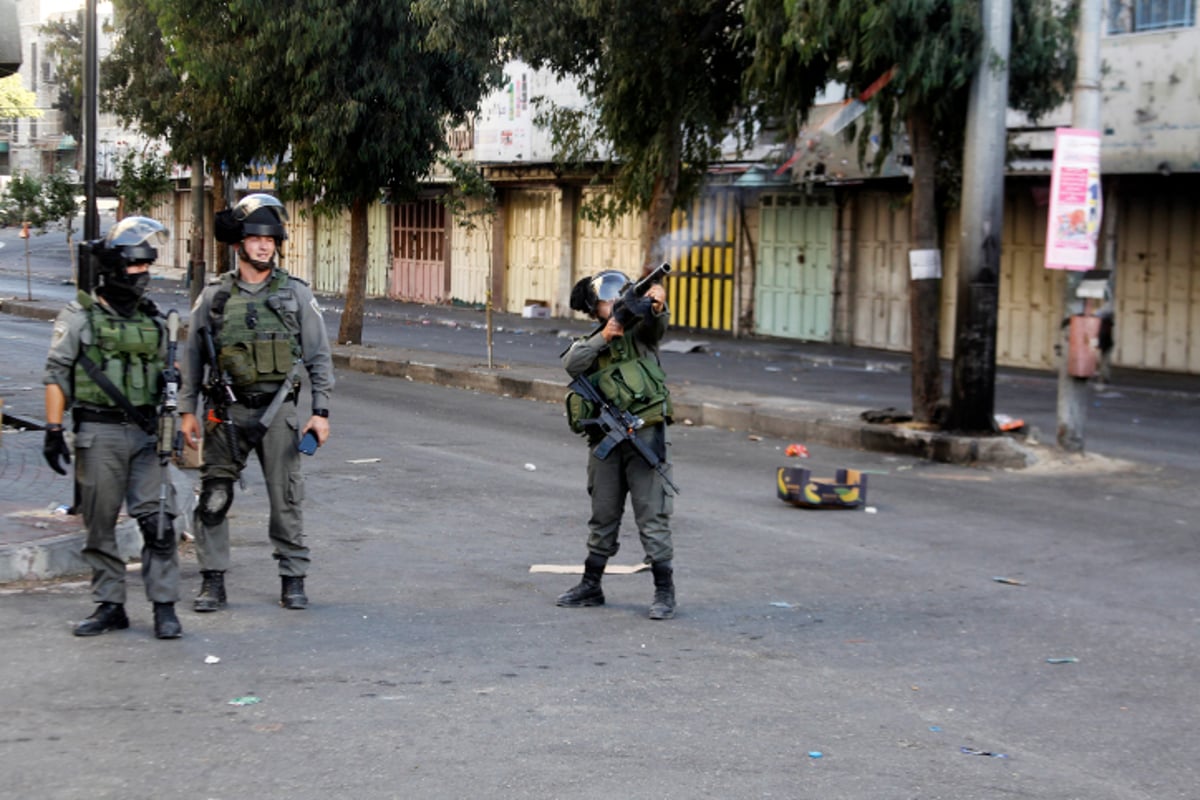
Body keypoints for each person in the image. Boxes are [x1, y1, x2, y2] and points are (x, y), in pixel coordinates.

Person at [179, 194, 334, 613]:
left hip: (278, 410)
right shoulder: (214, 298)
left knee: (286, 497)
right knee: (214, 496)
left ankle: (293, 578)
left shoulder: (295, 296)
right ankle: (212, 581)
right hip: (223, 414)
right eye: (255, 237)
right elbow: (191, 358)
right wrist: (186, 412)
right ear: (239, 244)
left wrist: (320, 413)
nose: (265, 245)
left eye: (271, 238)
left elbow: (319, 357)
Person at [42, 216, 183, 639]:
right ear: (115, 269)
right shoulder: (80, 317)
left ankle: (163, 605)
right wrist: (53, 430)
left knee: (159, 520)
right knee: (100, 524)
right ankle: (110, 605)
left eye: (147, 269)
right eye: (136, 268)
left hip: (146, 435)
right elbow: (57, 373)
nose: (142, 277)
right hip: (98, 433)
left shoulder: (155, 322)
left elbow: (170, 376)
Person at [558, 269, 678, 619]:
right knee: (603, 514)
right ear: (595, 309)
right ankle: (591, 585)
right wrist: (604, 337)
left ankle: (664, 592)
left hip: (644, 436)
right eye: (606, 303)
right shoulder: (594, 341)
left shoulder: (641, 335)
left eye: (618, 300)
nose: (613, 307)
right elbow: (571, 364)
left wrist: (657, 306)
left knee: (652, 514)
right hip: (605, 441)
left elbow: (657, 327)